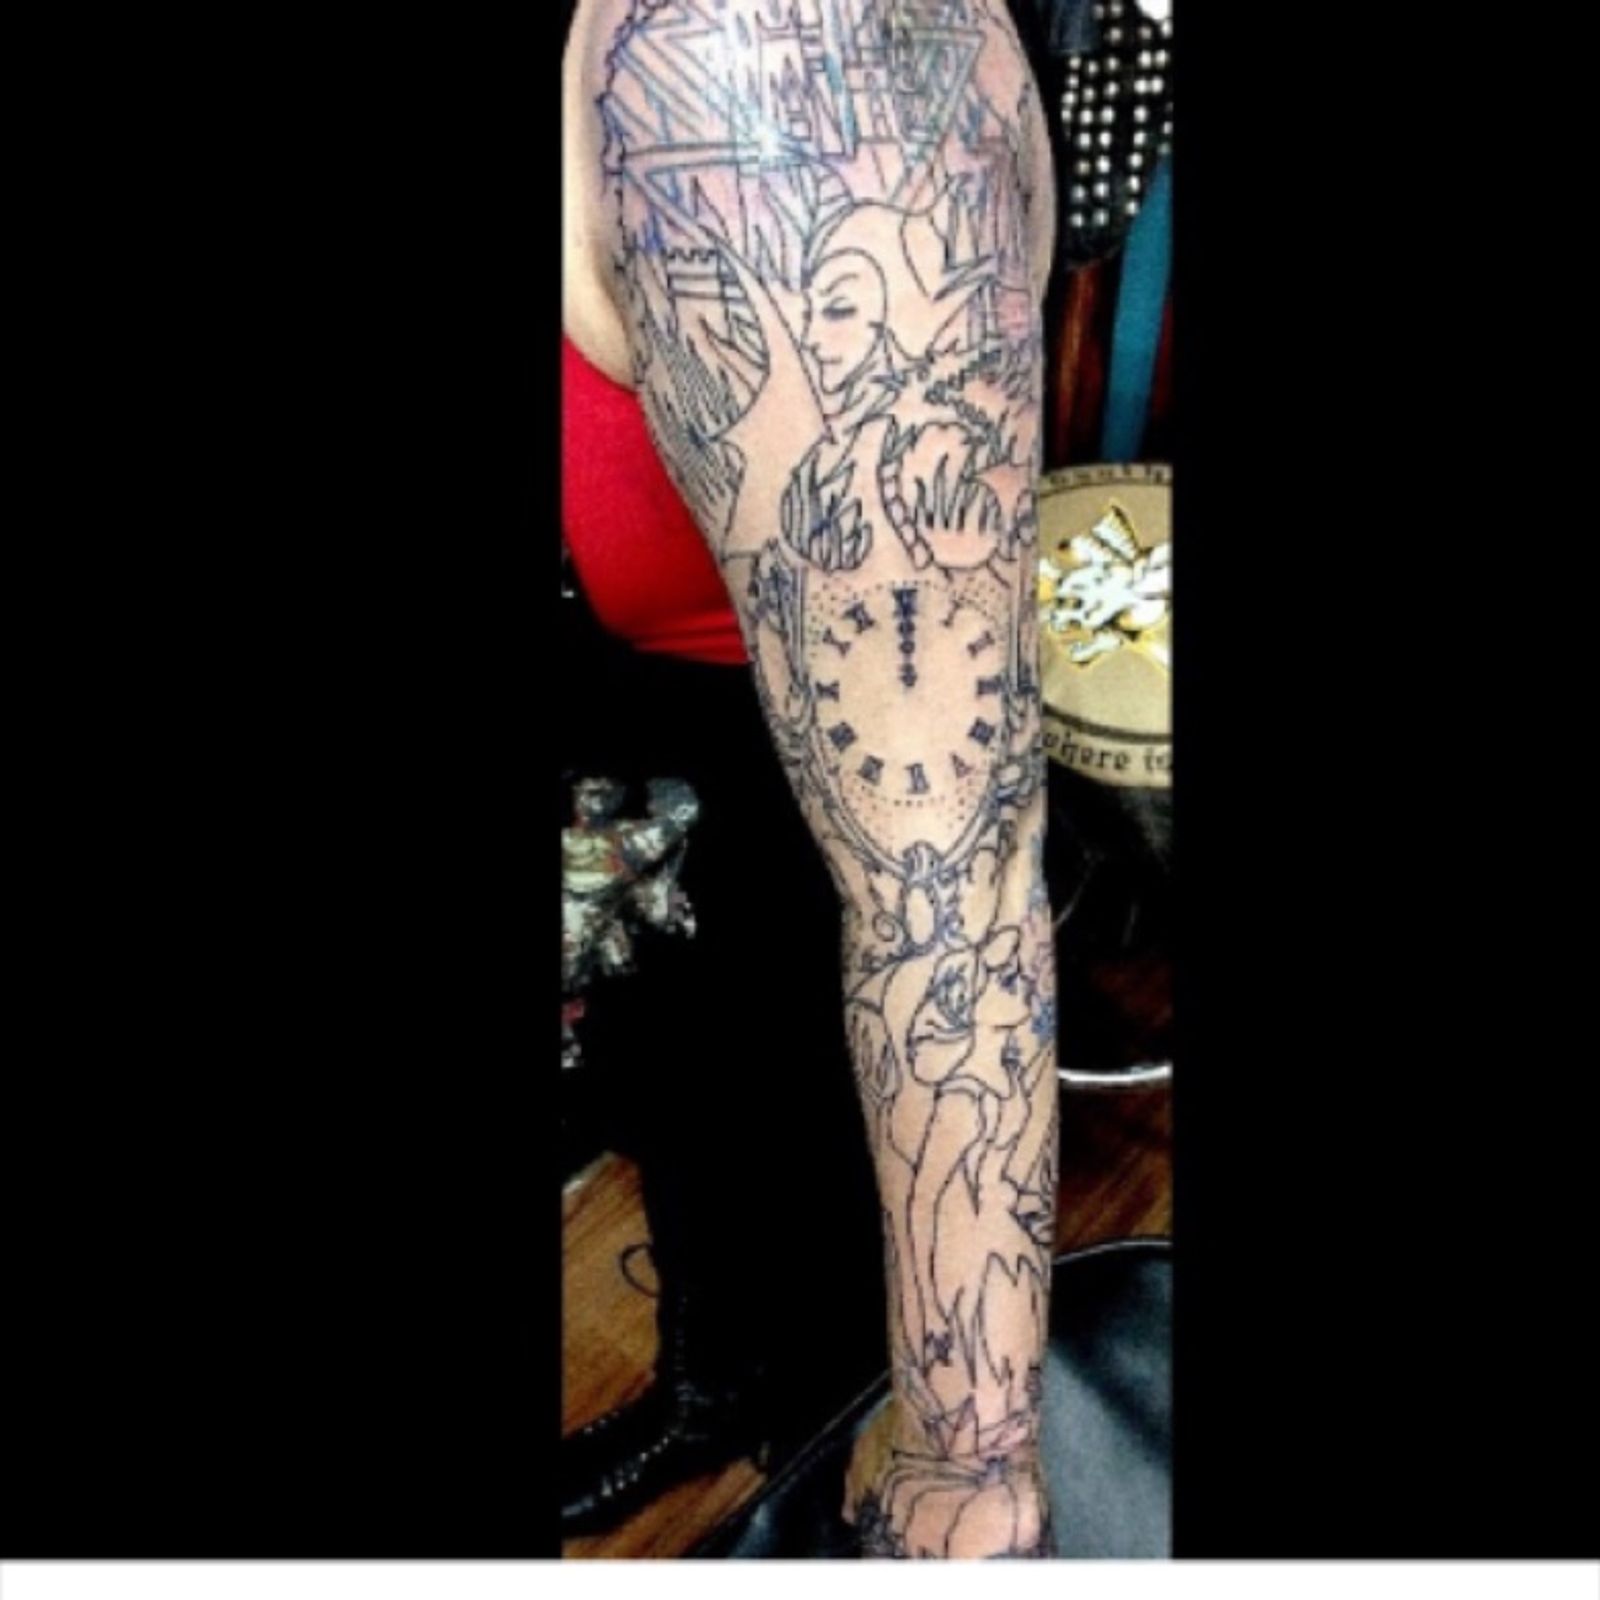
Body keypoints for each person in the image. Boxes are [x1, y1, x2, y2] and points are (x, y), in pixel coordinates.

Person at [562, 0, 1061, 1558]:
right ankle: (719, 1384)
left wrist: (969, 1474)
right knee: (683, 1100)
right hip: (630, 724)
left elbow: (950, 888)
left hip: (791, 760)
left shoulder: (764, 47)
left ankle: (834, 1444)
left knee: (826, 1178)